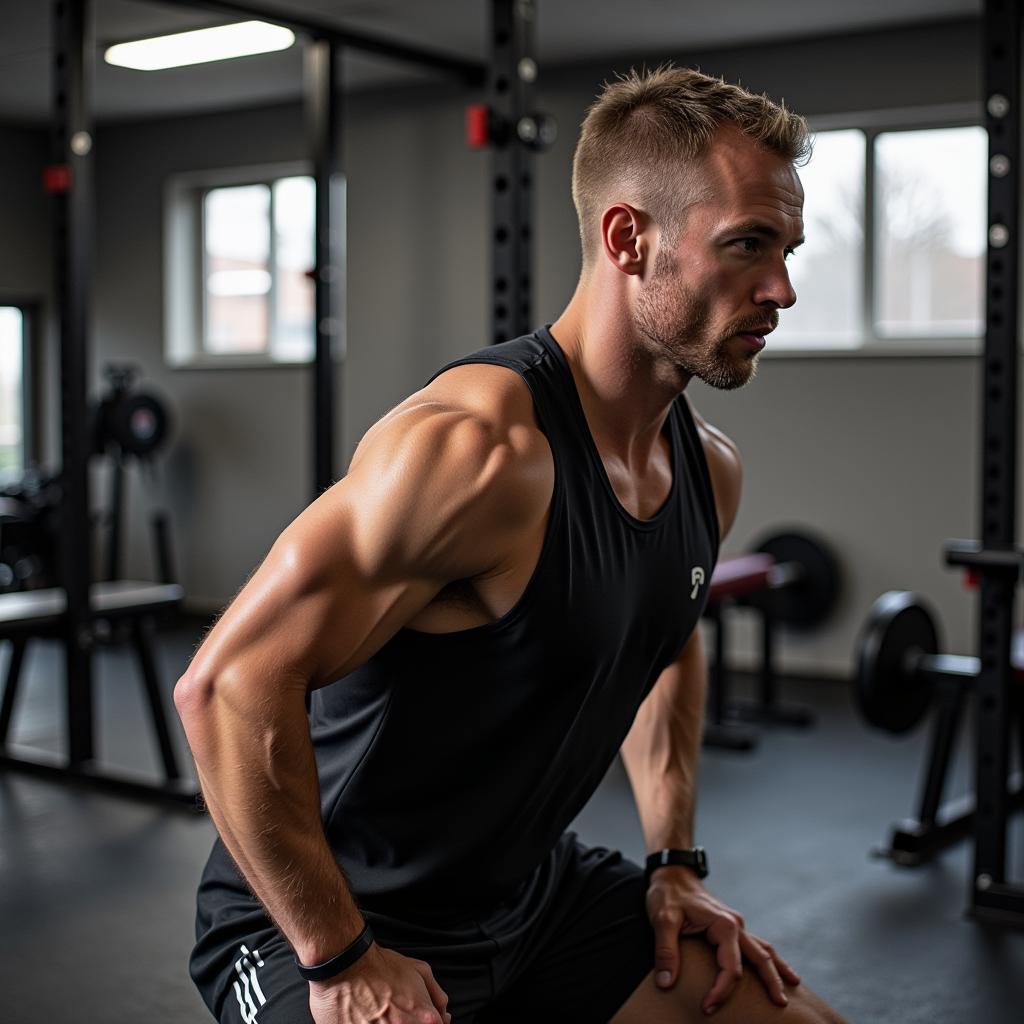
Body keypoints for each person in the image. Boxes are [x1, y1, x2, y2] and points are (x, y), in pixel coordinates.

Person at [176, 65, 847, 1024]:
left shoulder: (707, 468)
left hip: (533, 897)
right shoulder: (478, 452)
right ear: (628, 237)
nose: (780, 289)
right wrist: (339, 955)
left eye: (786, 249)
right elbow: (226, 685)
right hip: (320, 915)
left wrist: (674, 863)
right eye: (746, 245)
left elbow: (665, 638)